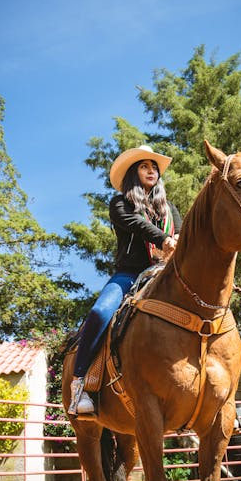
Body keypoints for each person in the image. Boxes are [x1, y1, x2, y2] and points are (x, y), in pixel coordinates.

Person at [69, 145, 182, 416]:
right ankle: (80, 384)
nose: (151, 170)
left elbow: (183, 229)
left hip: (165, 273)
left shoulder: (171, 209)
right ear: (134, 173)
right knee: (99, 313)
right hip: (129, 275)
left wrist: (178, 239)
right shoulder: (119, 204)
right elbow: (135, 224)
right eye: (144, 166)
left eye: (154, 167)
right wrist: (164, 239)